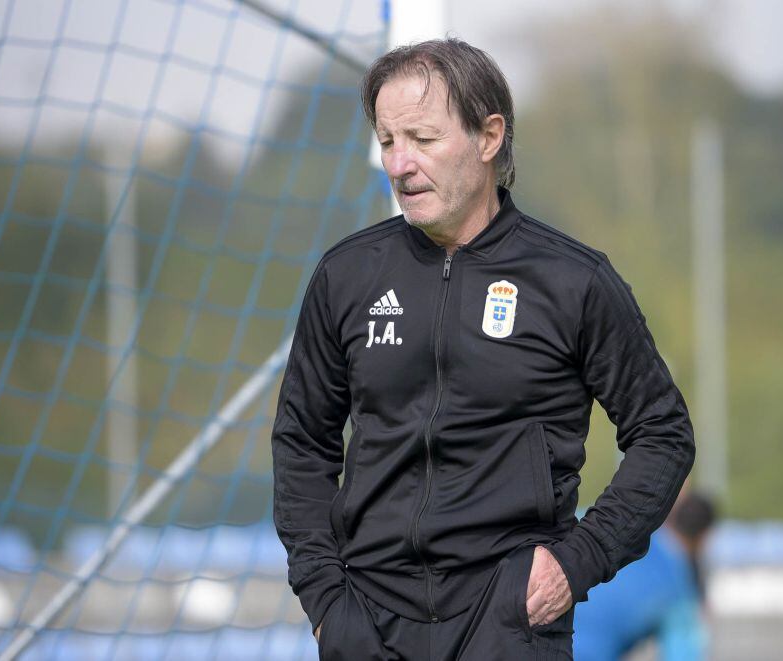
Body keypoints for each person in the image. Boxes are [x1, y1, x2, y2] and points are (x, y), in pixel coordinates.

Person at [272, 38, 695, 660]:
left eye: (422, 138)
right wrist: (327, 603)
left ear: (489, 136)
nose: (399, 164)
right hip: (366, 623)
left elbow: (664, 433)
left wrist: (578, 562)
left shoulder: (573, 281)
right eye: (388, 141)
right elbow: (302, 442)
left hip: (509, 622)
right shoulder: (348, 275)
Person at [573, 492, 716, 661]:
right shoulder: (679, 588)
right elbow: (683, 655)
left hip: (542, 639)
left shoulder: (621, 526)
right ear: (703, 537)